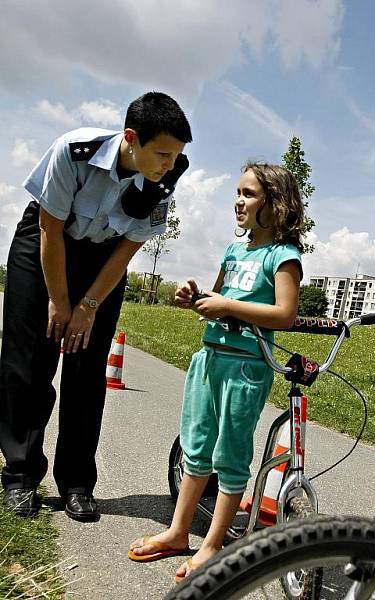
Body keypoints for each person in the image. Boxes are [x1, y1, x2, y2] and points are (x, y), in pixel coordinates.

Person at [0, 91, 192, 521]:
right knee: (29, 361)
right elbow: (50, 227)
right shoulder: (74, 151)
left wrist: (87, 306)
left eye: (175, 155)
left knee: (87, 371)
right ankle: (20, 475)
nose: (169, 164)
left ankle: (77, 482)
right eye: (161, 153)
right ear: (130, 138)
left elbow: (128, 248)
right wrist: (59, 300)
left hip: (103, 258)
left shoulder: (167, 172)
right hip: (46, 243)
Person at [128, 161, 304, 583]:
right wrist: (197, 298)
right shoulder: (233, 249)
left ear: (274, 203)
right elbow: (219, 297)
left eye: (248, 194)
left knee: (230, 454)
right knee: (197, 445)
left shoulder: (284, 256)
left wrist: (227, 306)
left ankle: (212, 545)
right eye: (238, 193)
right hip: (208, 359)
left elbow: (284, 313)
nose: (238, 201)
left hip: (245, 368)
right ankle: (177, 531)